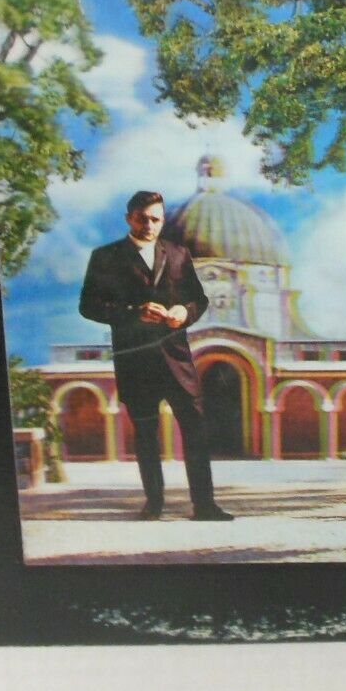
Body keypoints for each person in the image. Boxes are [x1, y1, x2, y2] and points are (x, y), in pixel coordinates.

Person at [78, 190, 234, 522]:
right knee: (146, 435)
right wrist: (134, 312)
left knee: (195, 431)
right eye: (142, 218)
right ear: (129, 218)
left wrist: (184, 313)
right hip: (135, 361)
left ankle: (205, 505)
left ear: (162, 221)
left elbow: (198, 300)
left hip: (176, 359)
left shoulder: (178, 253)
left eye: (155, 219)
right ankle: (154, 504)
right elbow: (88, 306)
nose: (148, 225)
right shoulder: (105, 257)